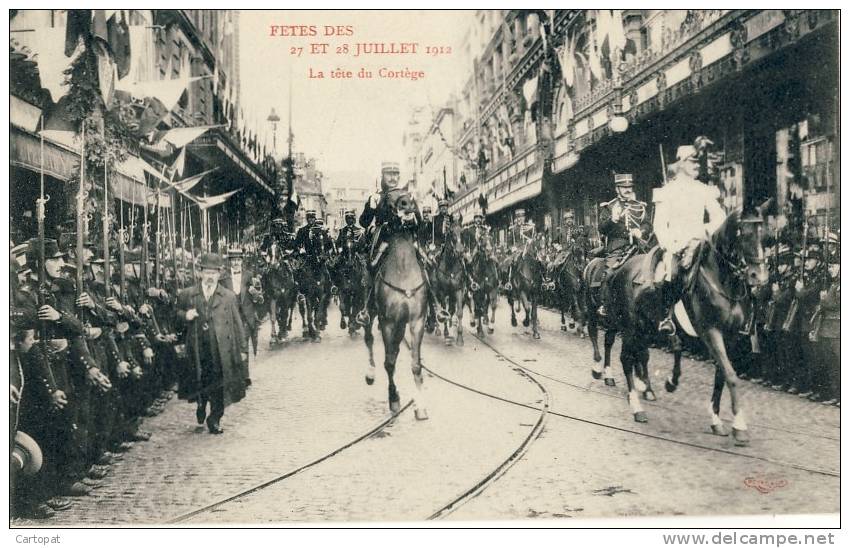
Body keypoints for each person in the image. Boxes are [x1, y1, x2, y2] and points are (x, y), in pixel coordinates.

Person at [652, 145, 727, 334]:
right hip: (677, 246)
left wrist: (704, 231)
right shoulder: (667, 191)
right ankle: (667, 317)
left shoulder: (704, 190)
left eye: (697, 162)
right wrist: (671, 245)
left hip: (701, 241)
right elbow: (659, 226)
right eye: (692, 162)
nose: (696, 166)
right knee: (671, 274)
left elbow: (719, 217)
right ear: (681, 163)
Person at [176, 253, 248, 434]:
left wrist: (242, 349)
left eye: (214, 273)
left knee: (220, 383)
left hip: (220, 348)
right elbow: (174, 315)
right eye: (206, 272)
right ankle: (201, 404)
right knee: (200, 380)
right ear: (200, 273)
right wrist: (185, 315)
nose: (210, 276)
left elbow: (237, 323)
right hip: (198, 346)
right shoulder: (188, 295)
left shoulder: (228, 297)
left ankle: (215, 417)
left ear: (219, 274)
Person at [221, 247, 264, 385]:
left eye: (238, 260)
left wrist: (255, 294)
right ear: (230, 262)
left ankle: (245, 376)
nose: (236, 263)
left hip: (246, 316)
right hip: (229, 316)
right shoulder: (223, 277)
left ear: (242, 261)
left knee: (243, 344)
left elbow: (260, 298)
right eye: (233, 260)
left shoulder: (249, 275)